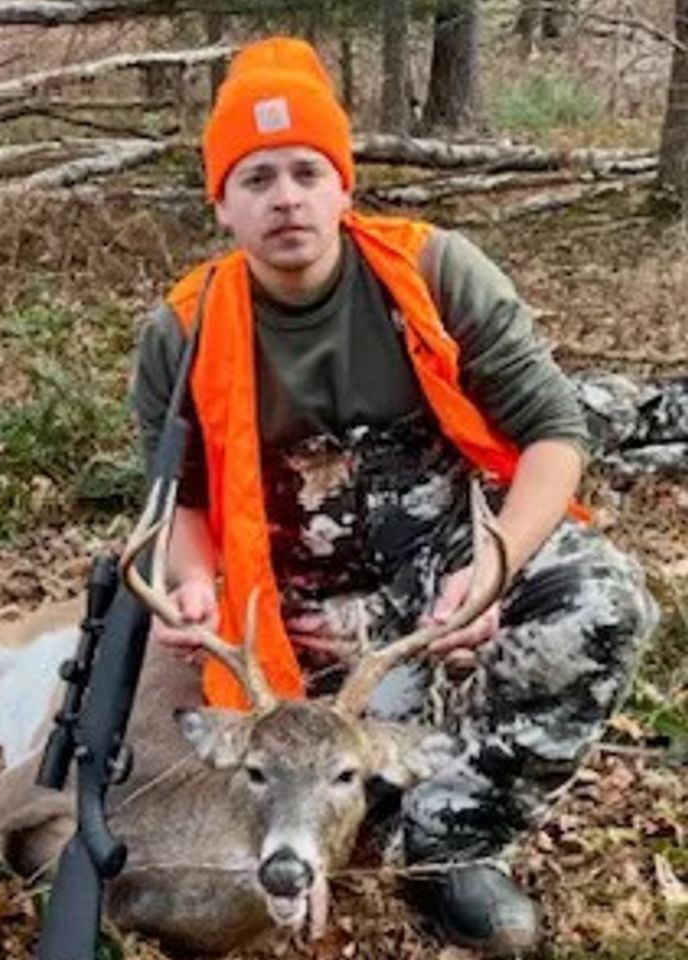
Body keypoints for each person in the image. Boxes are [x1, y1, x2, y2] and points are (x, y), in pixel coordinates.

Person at [130, 36, 658, 956]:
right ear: (222, 204)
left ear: (344, 185)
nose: (285, 197)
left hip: (445, 557)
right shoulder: (183, 331)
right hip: (293, 606)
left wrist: (493, 571)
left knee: (601, 602)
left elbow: (555, 434)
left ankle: (454, 841)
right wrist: (197, 584)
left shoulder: (433, 273)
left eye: (307, 171)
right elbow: (180, 500)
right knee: (298, 753)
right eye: (256, 178)